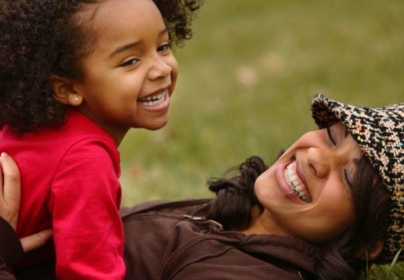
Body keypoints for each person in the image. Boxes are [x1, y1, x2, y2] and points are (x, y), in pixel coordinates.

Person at [1, 93, 403, 279]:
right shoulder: (237, 219)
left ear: (367, 243)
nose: (317, 158)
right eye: (332, 137)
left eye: (347, 178)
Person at [0, 0, 202, 278]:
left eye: (163, 47)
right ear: (68, 88)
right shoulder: (84, 160)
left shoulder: (29, 126)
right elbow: (90, 273)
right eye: (131, 61)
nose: (162, 69)